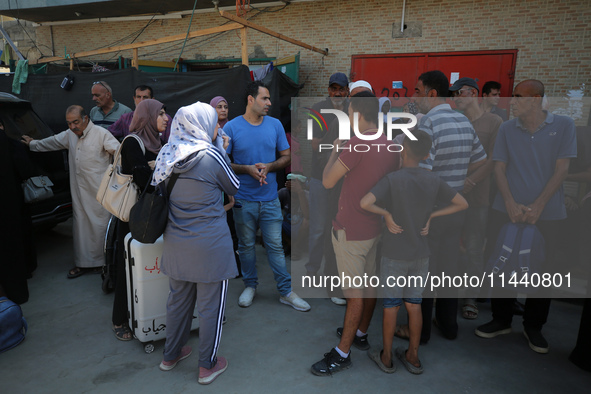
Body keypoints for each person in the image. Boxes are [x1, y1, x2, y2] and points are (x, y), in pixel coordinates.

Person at [475, 80, 577, 354]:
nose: (512, 101)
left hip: (548, 213)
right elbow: (499, 167)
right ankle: (501, 319)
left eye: (518, 97)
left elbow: (563, 169)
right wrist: (508, 201)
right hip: (506, 209)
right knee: (500, 261)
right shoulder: (508, 128)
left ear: (536, 99)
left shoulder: (564, 126)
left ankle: (534, 327)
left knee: (543, 270)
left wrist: (539, 205)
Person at [360, 130, 468, 375]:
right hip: (421, 253)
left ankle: (387, 357)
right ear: (428, 154)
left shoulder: (393, 179)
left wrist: (386, 215)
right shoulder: (434, 179)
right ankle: (413, 356)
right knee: (414, 305)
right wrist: (432, 215)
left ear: (403, 149)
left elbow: (365, 203)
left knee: (390, 306)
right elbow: (462, 203)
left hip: (394, 253)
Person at [311, 91, 400, 376]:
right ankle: (361, 333)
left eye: (349, 113)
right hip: (375, 227)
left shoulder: (356, 144)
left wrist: (336, 150)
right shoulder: (389, 144)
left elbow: (327, 182)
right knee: (370, 284)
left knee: (354, 293)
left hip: (350, 229)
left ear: (357, 115)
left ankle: (342, 353)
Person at [152, 102, 239, 385]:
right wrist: (220, 147)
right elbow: (233, 187)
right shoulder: (211, 156)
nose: (217, 127)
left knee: (177, 302)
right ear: (202, 125)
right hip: (211, 247)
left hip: (176, 244)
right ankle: (207, 366)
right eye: (213, 122)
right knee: (210, 307)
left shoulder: (166, 154)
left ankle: (170, 355)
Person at [404, 70, 486, 343]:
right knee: (449, 270)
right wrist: (457, 181)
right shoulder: (463, 121)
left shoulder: (428, 124)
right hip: (457, 208)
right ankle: (449, 326)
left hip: (433, 211)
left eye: (417, 91)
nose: (414, 96)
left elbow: (422, 175)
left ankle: (422, 331)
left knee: (426, 271)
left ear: (430, 93)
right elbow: (479, 159)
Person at [225, 81, 310, 312]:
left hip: (270, 199)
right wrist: (247, 169)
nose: (270, 103)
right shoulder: (231, 128)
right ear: (251, 100)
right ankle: (250, 286)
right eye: (265, 98)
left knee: (275, 246)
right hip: (243, 199)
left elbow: (286, 156)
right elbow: (222, 163)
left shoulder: (275, 125)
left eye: (269, 98)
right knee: (246, 247)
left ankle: (286, 292)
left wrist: (269, 166)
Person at [22, 106, 120, 278]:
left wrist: (116, 179)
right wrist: (32, 144)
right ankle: (84, 264)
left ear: (86, 118)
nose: (73, 126)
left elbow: (119, 152)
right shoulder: (70, 135)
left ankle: (104, 263)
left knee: (100, 225)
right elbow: (51, 142)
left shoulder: (101, 134)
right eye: (69, 123)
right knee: (81, 227)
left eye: (76, 122)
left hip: (98, 192)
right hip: (79, 190)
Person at [111, 99, 167, 341]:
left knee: (150, 266)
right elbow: (144, 180)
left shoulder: (159, 142)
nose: (166, 117)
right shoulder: (133, 142)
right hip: (135, 215)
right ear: (148, 117)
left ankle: (151, 314)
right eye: (161, 113)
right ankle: (120, 319)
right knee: (128, 266)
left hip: (152, 212)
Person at [449, 77, 502, 320]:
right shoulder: (456, 120)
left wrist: (470, 181)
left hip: (478, 198)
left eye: (458, 93)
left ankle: (470, 296)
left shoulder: (494, 122)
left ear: (472, 93)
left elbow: (494, 160)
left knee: (473, 247)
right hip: (451, 196)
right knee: (448, 245)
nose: (455, 98)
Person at [306, 72, 349, 281]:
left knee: (339, 226)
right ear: (328, 89)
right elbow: (315, 145)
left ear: (347, 91)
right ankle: (312, 268)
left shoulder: (352, 109)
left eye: (341, 89)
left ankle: (335, 271)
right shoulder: (317, 109)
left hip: (345, 178)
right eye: (334, 88)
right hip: (319, 176)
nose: (337, 93)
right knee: (318, 227)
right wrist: (336, 139)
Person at [0, 119, 36, 304]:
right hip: (12, 206)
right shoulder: (13, 145)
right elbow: (26, 171)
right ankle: (18, 294)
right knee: (14, 246)